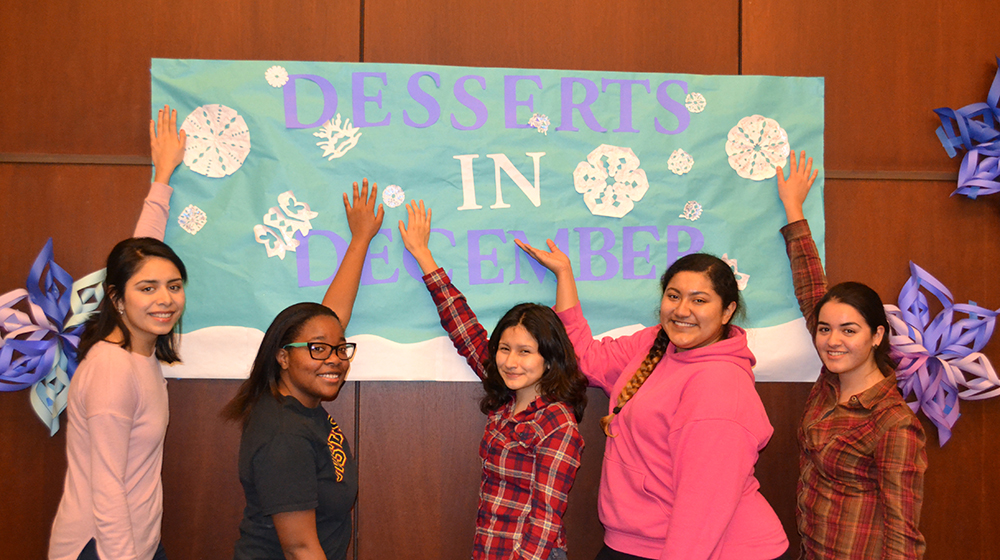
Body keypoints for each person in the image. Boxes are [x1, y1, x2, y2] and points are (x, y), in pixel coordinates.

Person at [518, 240, 788, 560]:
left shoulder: (720, 384)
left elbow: (703, 507)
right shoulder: (655, 343)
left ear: (728, 310)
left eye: (699, 300)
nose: (682, 310)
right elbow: (586, 359)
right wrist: (564, 275)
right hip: (638, 542)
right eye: (673, 296)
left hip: (712, 549)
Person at [398, 201, 587, 560]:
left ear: (550, 358)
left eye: (525, 352)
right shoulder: (506, 400)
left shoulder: (557, 422)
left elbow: (546, 521)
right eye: (504, 349)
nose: (510, 362)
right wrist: (423, 255)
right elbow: (464, 327)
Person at [49, 105, 188, 560]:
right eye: (147, 289)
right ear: (117, 298)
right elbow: (107, 489)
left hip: (136, 542)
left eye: (174, 286)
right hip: (104, 548)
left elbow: (139, 254)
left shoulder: (137, 352)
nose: (164, 299)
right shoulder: (112, 369)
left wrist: (163, 176)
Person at [777, 150, 927, 559]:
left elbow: (903, 531)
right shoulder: (830, 382)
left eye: (850, 330)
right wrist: (793, 208)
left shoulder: (894, 423)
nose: (832, 340)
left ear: (877, 335)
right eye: (825, 330)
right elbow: (812, 290)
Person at [223, 179, 384, 560]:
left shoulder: (296, 403)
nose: (334, 358)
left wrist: (360, 240)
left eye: (340, 348)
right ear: (283, 356)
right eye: (318, 349)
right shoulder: (285, 436)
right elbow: (299, 548)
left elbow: (328, 321)